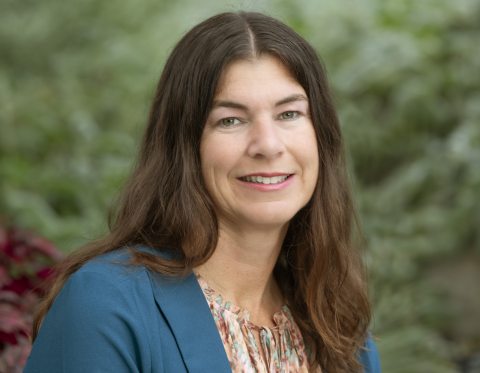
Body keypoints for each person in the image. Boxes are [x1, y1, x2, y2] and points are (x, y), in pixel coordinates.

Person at [24, 11, 381, 373]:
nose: (268, 145)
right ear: (184, 146)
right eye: (231, 120)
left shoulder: (337, 325)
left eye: (289, 114)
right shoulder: (105, 305)